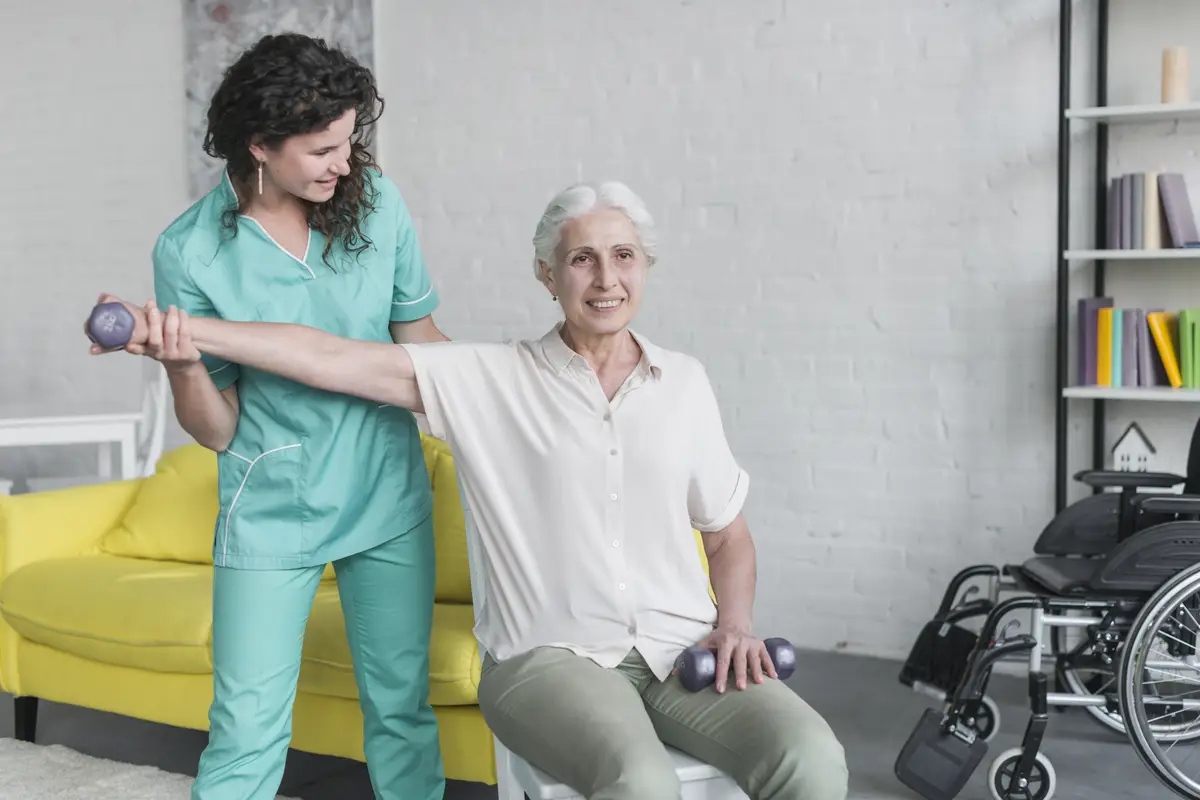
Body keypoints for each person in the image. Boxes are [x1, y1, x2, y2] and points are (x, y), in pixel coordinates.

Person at [92, 181, 849, 800]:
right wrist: (181, 332)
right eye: (582, 259)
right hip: (550, 661)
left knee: (812, 755)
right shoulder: (490, 380)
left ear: (646, 267)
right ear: (548, 277)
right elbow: (322, 354)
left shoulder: (685, 384)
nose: (607, 278)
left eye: (624, 256)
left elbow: (729, 535)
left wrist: (738, 623)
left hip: (682, 647)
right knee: (639, 783)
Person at [115, 32, 447, 800]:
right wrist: (181, 360)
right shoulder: (191, 251)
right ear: (259, 145)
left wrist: (511, 401)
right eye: (323, 148)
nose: (344, 163)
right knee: (246, 727)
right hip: (271, 504)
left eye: (350, 141)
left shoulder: (377, 202)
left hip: (387, 492)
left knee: (401, 710)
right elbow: (217, 429)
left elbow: (421, 343)